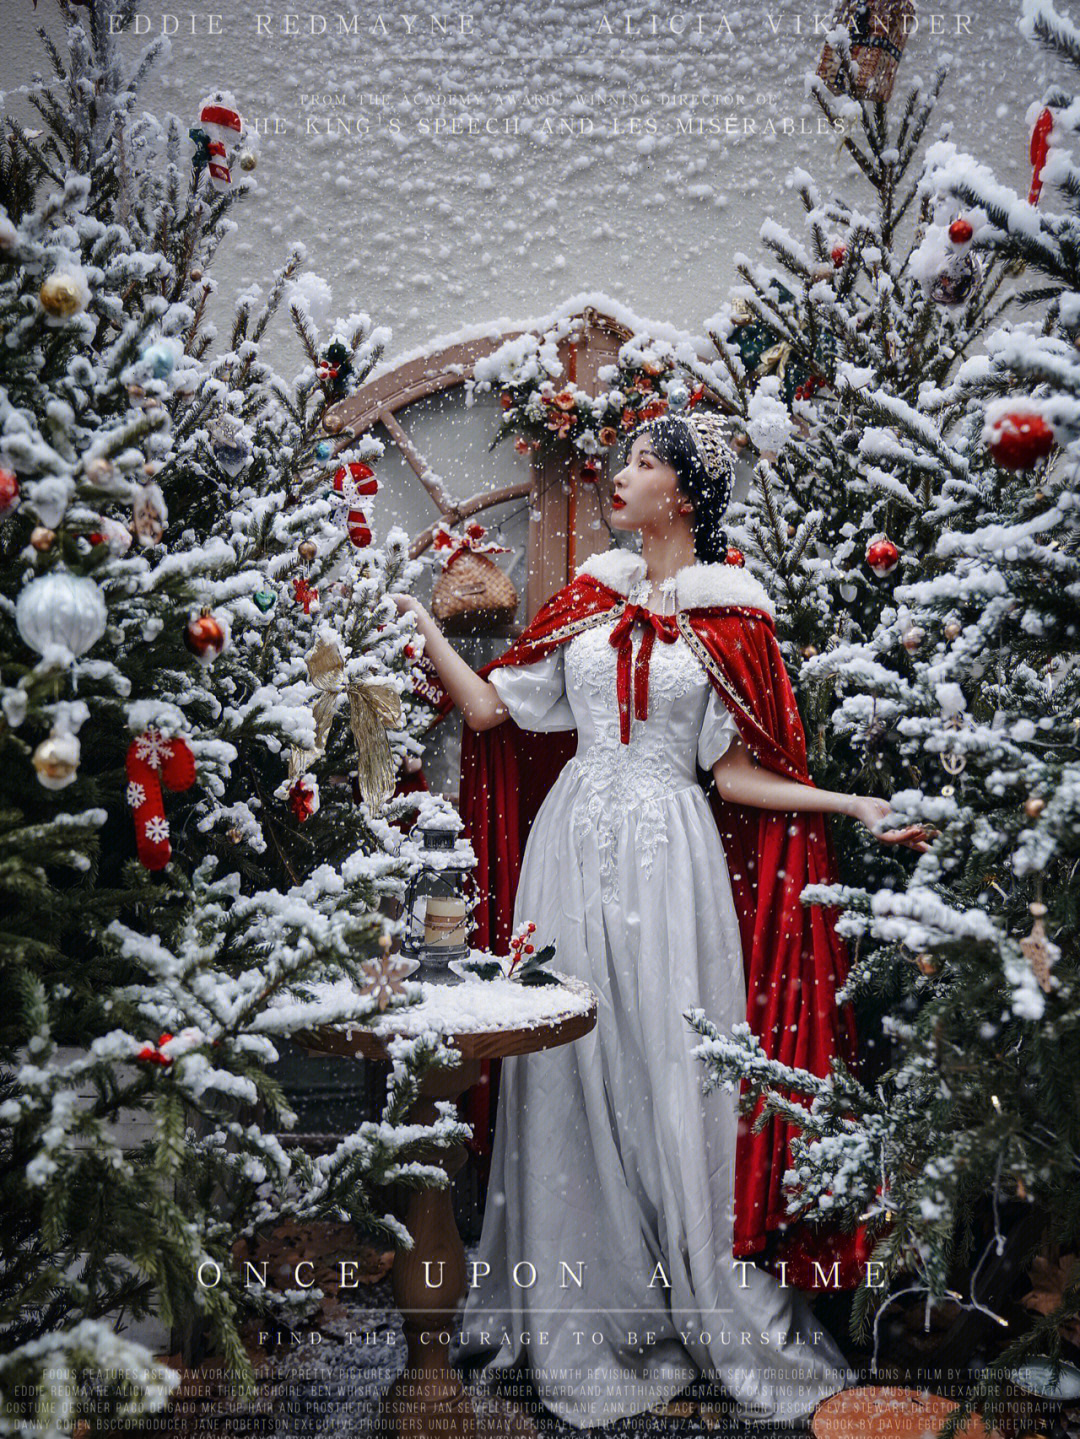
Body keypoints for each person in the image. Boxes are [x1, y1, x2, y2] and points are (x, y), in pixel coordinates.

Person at [389, 410, 929, 1431]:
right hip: (569, 844)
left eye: (642, 462)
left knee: (676, 1069)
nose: (620, 475)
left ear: (683, 491)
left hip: (674, 858)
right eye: (625, 458)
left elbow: (738, 772)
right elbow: (498, 713)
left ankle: (699, 1294)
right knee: (564, 1062)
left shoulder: (736, 618)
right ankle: (587, 1309)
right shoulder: (587, 599)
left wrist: (849, 805)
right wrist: (422, 626)